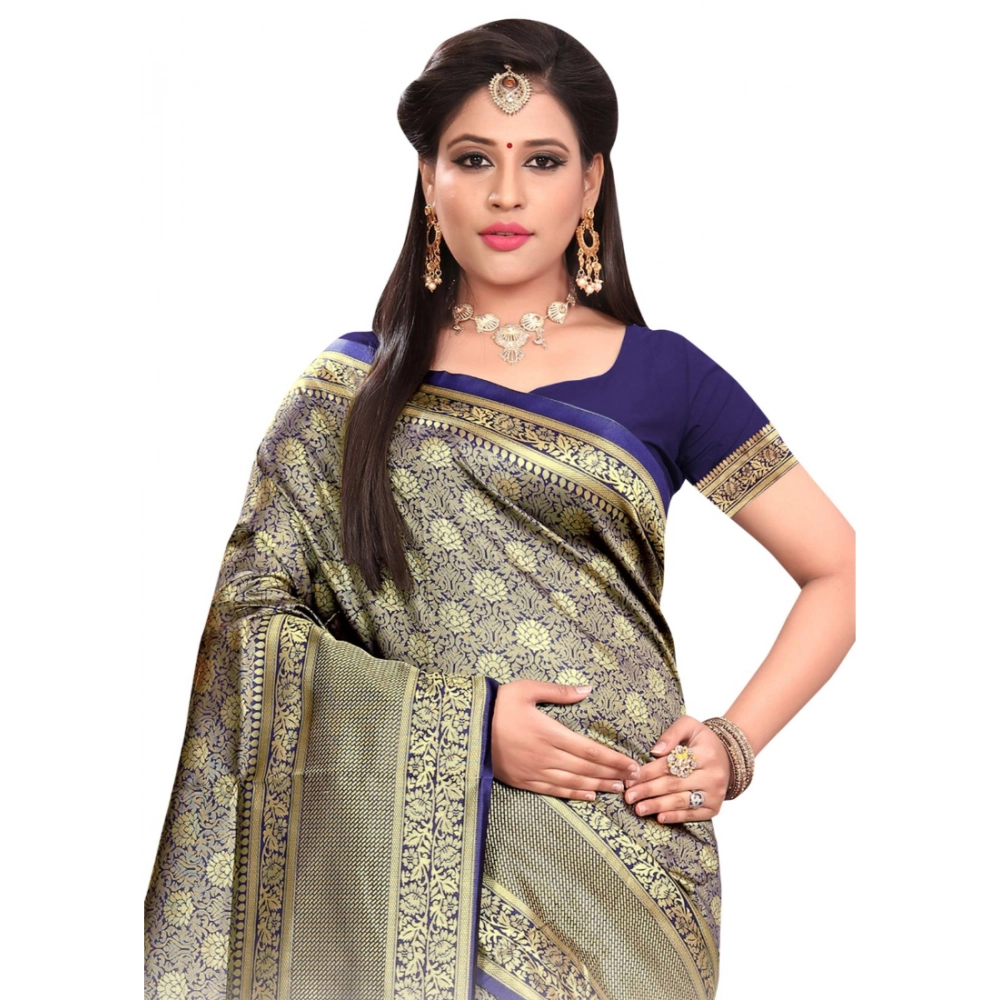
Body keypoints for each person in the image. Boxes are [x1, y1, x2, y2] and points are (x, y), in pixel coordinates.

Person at [145, 18, 854, 1000]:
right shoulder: (347, 390)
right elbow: (248, 623)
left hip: (629, 859)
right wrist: (466, 727)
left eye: (543, 161)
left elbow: (835, 567)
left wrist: (733, 745)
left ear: (591, 183)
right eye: (474, 158)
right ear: (428, 179)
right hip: (403, 870)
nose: (508, 193)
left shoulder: (668, 375)